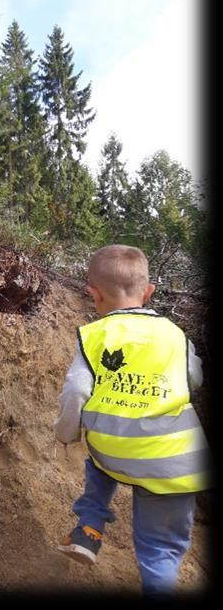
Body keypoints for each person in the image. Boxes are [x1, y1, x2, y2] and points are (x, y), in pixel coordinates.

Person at [54, 244, 211, 597]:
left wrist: (67, 432)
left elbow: (78, 390)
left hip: (114, 452)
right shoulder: (173, 334)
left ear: (92, 294)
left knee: (98, 461)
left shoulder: (94, 336)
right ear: (149, 291)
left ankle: (90, 527)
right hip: (173, 462)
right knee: (160, 550)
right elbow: (194, 377)